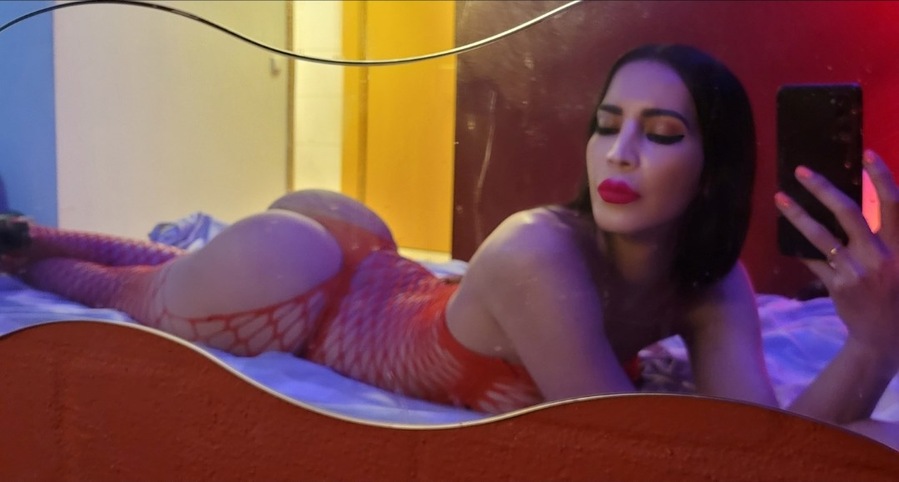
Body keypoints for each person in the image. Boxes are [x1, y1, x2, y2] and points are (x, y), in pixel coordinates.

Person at [1, 44, 898, 442]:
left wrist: (874, 336)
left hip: (371, 269)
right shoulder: (537, 252)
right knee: (113, 288)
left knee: (156, 270)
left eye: (660, 133)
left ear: (711, 170)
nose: (618, 153)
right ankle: (22, 237)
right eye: (606, 123)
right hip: (298, 286)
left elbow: (760, 443)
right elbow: (645, 451)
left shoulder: (711, 281)